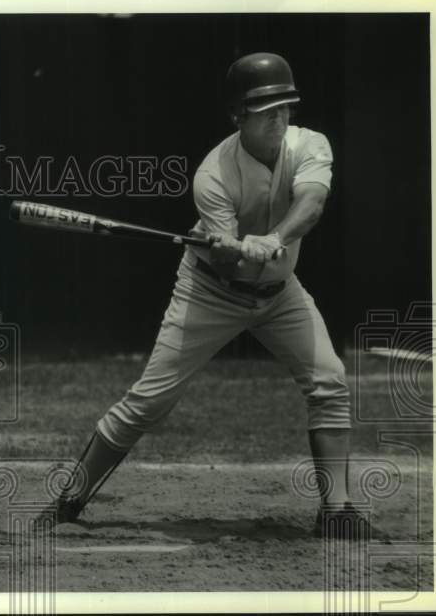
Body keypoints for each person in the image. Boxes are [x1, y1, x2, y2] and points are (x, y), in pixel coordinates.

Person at [47, 53, 362, 539]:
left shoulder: (310, 145)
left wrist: (272, 239)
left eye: (285, 107)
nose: (280, 117)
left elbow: (312, 204)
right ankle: (71, 497)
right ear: (238, 115)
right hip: (211, 291)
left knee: (330, 379)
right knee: (148, 403)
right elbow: (225, 263)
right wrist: (230, 248)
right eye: (266, 109)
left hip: (281, 295)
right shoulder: (214, 175)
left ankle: (338, 510)